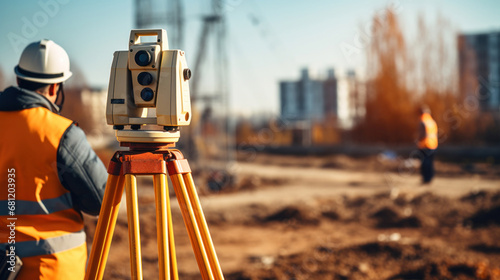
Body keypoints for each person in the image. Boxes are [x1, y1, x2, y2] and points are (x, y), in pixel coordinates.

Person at [0, 40, 107, 279]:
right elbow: (101, 200)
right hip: (51, 269)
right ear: (54, 88)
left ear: (18, 80)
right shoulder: (62, 134)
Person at [416, 105, 438, 184]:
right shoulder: (432, 121)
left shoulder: (423, 121)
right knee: (430, 163)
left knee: (425, 163)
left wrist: (418, 142)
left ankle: (426, 179)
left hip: (425, 145)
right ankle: (430, 178)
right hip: (433, 145)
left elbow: (422, 135)